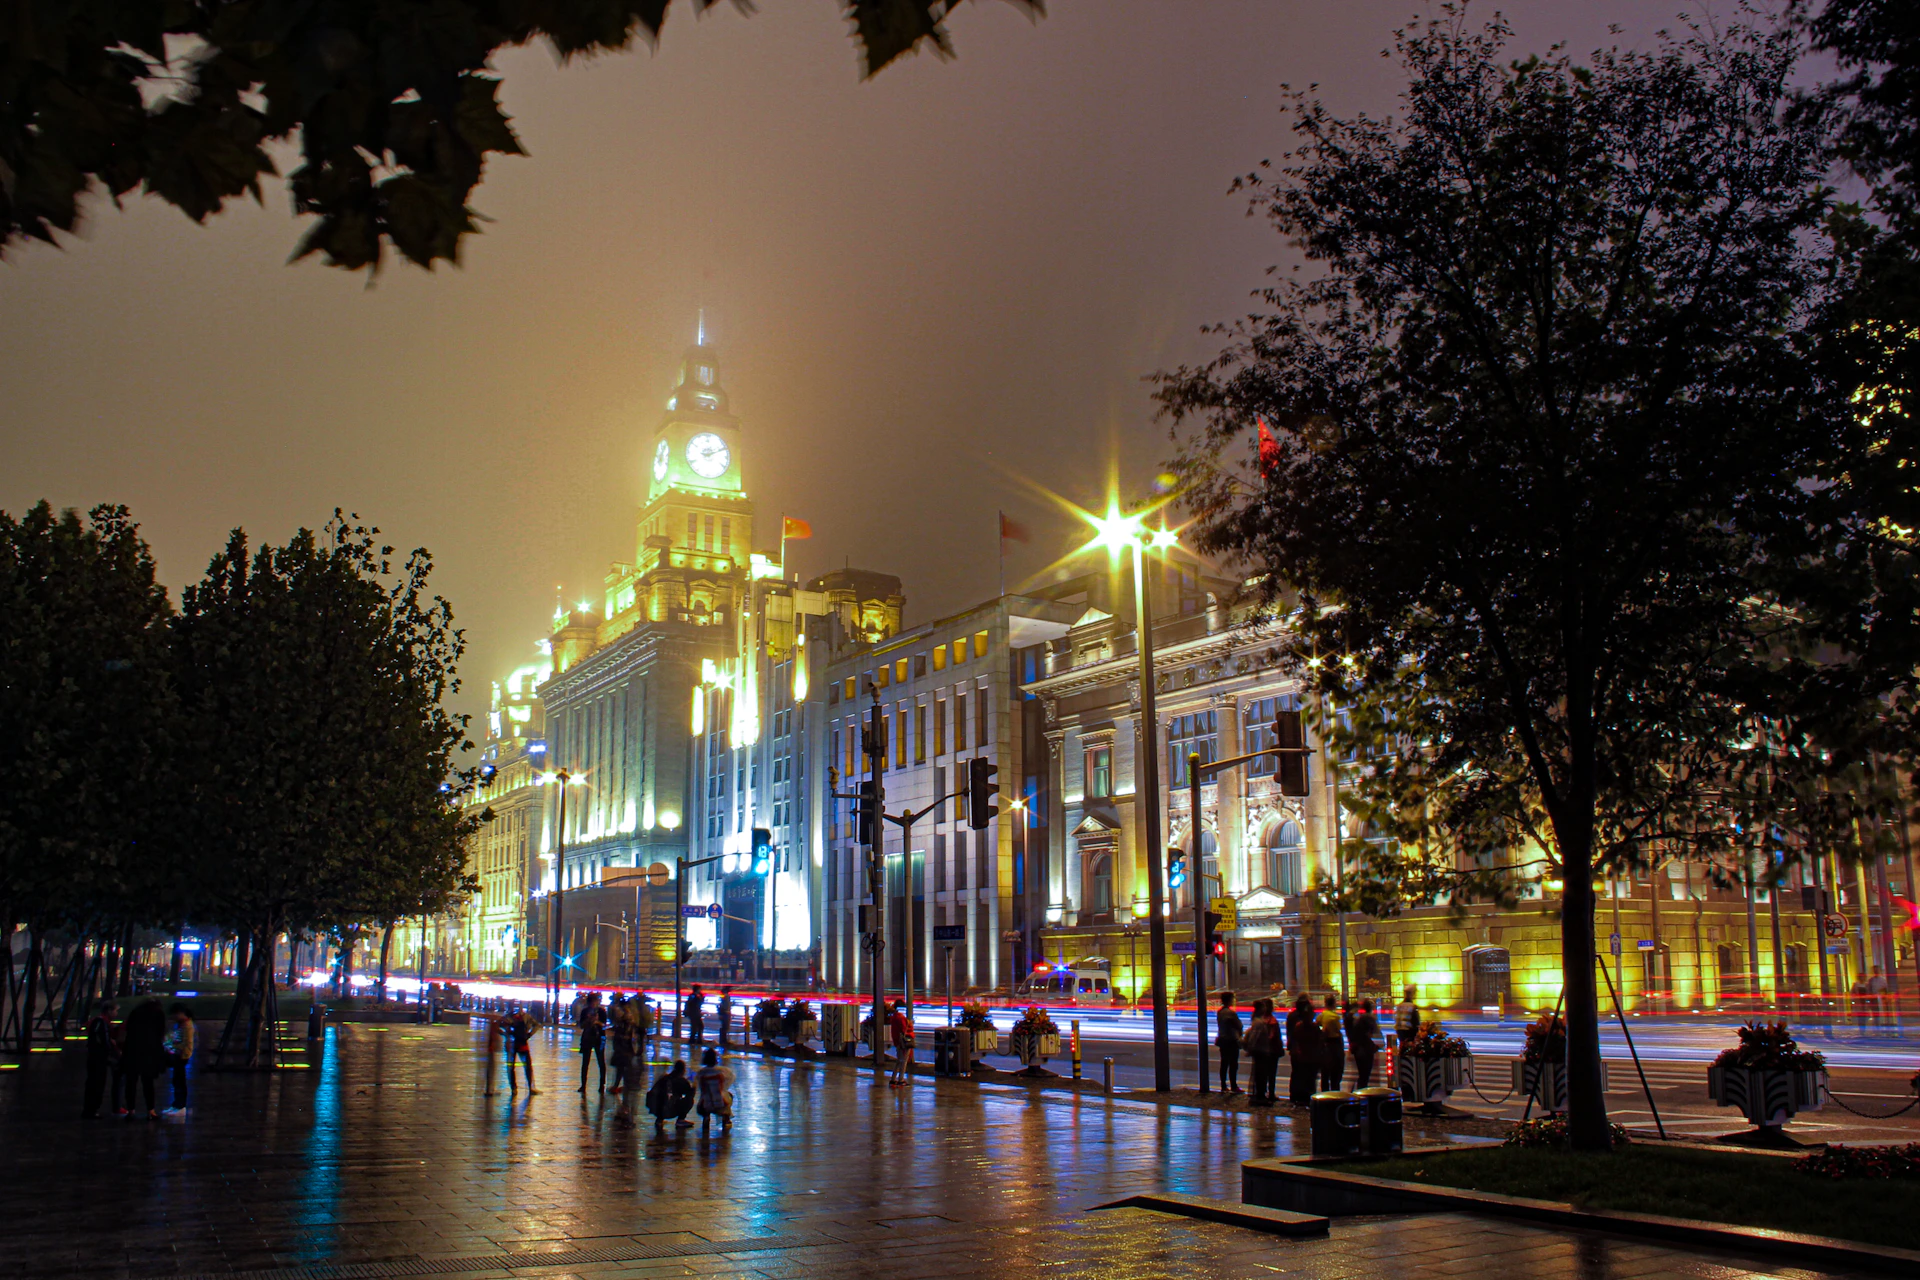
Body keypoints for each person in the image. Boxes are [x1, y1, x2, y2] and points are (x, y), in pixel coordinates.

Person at [121, 998, 168, 1120]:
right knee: (148, 1082)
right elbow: (160, 1033)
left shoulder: (136, 1012)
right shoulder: (158, 1014)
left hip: (132, 1050)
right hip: (149, 1052)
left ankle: (131, 1110)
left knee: (131, 1082)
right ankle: (150, 1111)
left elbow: (128, 1029)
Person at [82, 1000, 119, 1118]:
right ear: (109, 1011)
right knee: (97, 1083)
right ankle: (91, 1109)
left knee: (95, 1083)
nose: (116, 1014)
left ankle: (91, 1108)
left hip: (95, 1057)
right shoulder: (102, 1022)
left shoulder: (100, 1021)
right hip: (98, 1058)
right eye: (115, 1011)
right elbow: (103, 1040)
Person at [1285, 994, 1322, 1107]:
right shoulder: (1305, 1023)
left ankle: (1295, 1096)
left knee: (1296, 1074)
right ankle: (1305, 1097)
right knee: (1307, 1076)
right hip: (1306, 1052)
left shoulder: (1292, 1016)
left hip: (1296, 1049)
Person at [1243, 997, 1281, 1105]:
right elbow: (1270, 1036)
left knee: (1262, 1074)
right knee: (1267, 1074)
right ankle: (1265, 1095)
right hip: (1266, 1050)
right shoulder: (1269, 1021)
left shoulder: (1259, 1021)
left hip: (1263, 1050)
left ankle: (1262, 1094)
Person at [645, 1060, 695, 1134]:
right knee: (689, 1100)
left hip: (656, 1109)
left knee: (662, 1098)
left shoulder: (664, 1078)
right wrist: (694, 1085)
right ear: (683, 1070)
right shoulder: (681, 1081)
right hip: (670, 1109)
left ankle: (659, 1119)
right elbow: (690, 1094)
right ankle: (680, 1120)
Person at [694, 1047, 734, 1136]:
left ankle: (706, 1117)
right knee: (729, 1095)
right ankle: (726, 1118)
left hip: (704, 1105)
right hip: (720, 1104)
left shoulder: (700, 1073)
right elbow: (728, 1083)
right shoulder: (724, 1071)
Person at [164, 1004, 196, 1112]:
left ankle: (180, 1105)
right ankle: (177, 1104)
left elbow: (186, 1043)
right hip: (179, 1054)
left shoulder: (187, 1026)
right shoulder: (181, 1024)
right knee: (177, 1080)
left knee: (179, 1080)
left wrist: (170, 1046)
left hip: (181, 1055)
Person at [576, 992, 607, 1094]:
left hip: (599, 1037)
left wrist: (597, 1021)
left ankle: (602, 1085)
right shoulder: (585, 1011)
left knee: (601, 1061)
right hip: (588, 1037)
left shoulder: (601, 1011)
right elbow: (581, 1025)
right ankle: (583, 1085)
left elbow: (604, 1025)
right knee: (585, 1062)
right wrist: (589, 1020)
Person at [1215, 991, 1243, 1095]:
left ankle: (1223, 1085)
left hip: (1223, 1040)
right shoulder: (1230, 1013)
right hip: (1231, 1040)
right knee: (1233, 1064)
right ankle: (1233, 1085)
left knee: (1224, 1063)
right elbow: (1238, 1025)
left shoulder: (1220, 1012)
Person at [506, 1007, 539, 1095]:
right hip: (522, 1043)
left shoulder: (509, 1017)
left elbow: (500, 1025)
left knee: (512, 1067)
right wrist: (529, 1034)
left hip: (514, 1043)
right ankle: (530, 1087)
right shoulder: (525, 1017)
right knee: (527, 1065)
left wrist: (506, 1033)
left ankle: (514, 1088)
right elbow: (537, 1025)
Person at [1350, 998, 1380, 1088]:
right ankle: (1362, 1092)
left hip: (1358, 1049)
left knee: (1361, 1073)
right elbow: (1376, 1033)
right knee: (1366, 1073)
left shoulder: (1358, 1019)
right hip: (1367, 1049)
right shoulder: (1371, 1018)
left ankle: (1359, 1090)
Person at [1318, 997, 1346, 1091]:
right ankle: (1335, 1094)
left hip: (1325, 1045)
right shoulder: (1335, 1017)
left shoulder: (1322, 1015)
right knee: (1336, 1074)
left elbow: (1317, 1024)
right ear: (1333, 1004)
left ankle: (1324, 1094)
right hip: (1335, 1044)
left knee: (1325, 1074)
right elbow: (1338, 1030)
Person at [887, 998, 915, 1086]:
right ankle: (901, 1079)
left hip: (897, 1041)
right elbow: (905, 1029)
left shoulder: (894, 1016)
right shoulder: (900, 1017)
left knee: (899, 1060)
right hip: (904, 1041)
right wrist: (910, 1023)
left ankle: (893, 1078)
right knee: (904, 1061)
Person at [482, 1013, 504, 1097]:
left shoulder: (493, 1027)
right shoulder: (494, 1027)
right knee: (491, 1070)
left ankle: (490, 1089)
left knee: (491, 1070)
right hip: (491, 1051)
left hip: (491, 1050)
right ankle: (489, 1090)